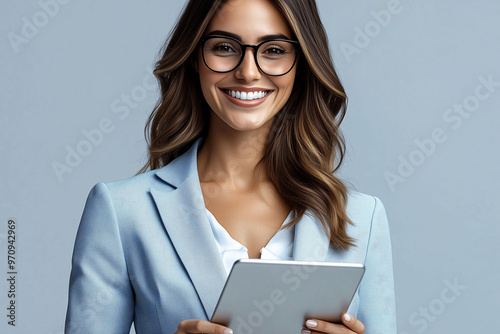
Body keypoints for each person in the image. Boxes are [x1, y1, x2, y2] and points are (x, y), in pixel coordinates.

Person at [65, 0, 397, 333]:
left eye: (274, 50)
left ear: (301, 63)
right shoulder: (122, 212)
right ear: (195, 56)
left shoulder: (363, 219)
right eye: (225, 47)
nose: (248, 72)